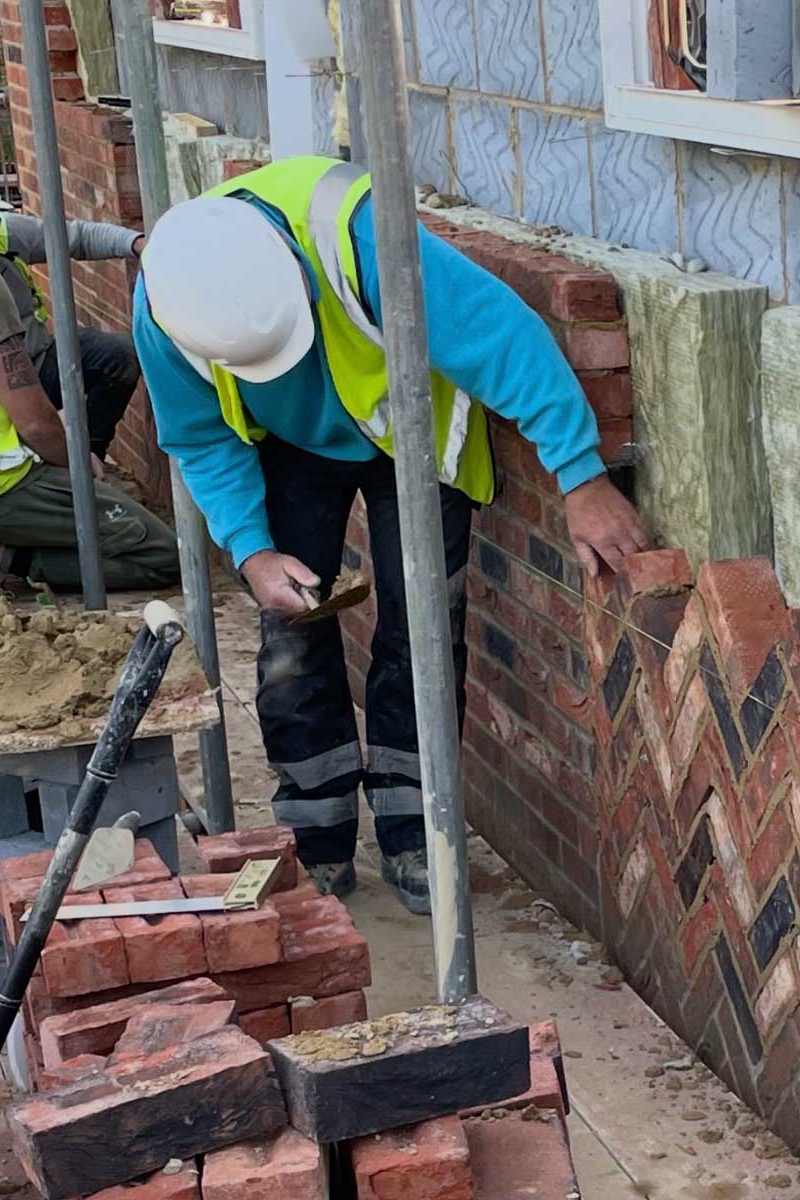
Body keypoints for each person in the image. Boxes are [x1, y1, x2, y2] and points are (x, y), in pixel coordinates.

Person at [134, 155, 649, 914]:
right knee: (290, 635)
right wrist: (251, 548)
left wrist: (582, 476)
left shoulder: (358, 237)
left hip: (411, 434)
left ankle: (416, 832)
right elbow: (202, 439)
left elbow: (502, 336)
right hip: (290, 449)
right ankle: (315, 837)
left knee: (422, 630)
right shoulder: (170, 311)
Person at [0, 138, 180, 612]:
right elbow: (34, 422)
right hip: (4, 484)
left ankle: (3, 545)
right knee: (162, 553)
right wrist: (79, 466)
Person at [0, 210, 145, 461]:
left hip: (35, 360)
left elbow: (77, 236)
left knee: (118, 356)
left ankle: (89, 460)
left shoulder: (2, 232)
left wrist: (137, 243)